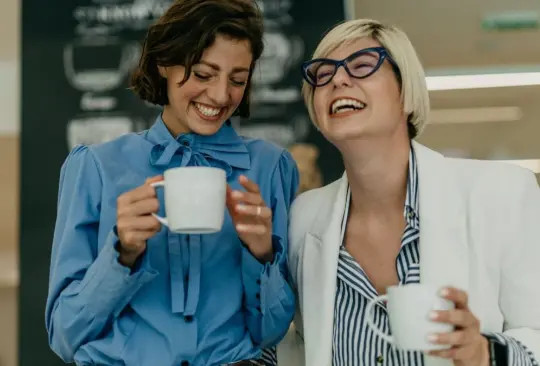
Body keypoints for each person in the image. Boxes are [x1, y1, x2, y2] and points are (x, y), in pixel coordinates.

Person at [45, 1, 299, 365]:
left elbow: (270, 332)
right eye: (203, 74)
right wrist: (122, 255)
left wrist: (261, 254)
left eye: (238, 80)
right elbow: (65, 335)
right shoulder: (95, 168)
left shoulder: (271, 168)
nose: (220, 95)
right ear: (165, 63)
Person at [278, 18, 540, 366]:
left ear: (405, 91)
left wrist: (486, 353)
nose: (338, 79)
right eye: (323, 73)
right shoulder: (301, 219)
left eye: (362, 66)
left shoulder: (501, 193)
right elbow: (293, 349)